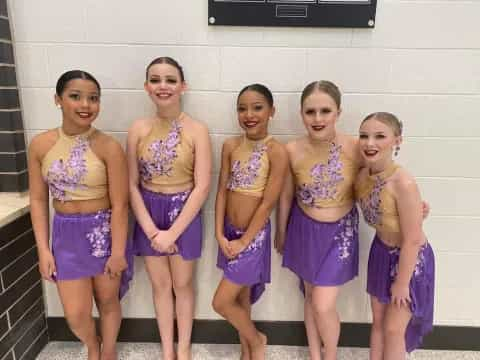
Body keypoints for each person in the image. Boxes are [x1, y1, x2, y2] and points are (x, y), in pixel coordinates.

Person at [28, 70, 133, 360]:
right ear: (58, 100)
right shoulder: (40, 145)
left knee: (108, 299)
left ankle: (108, 350)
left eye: (93, 98)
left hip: (103, 233)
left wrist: (118, 251)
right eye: (75, 97)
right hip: (65, 235)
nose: (86, 105)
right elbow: (38, 199)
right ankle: (93, 344)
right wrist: (43, 250)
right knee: (75, 314)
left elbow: (121, 205)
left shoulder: (109, 147)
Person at [127, 57, 212, 360]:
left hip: (184, 211)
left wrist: (173, 232)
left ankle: (184, 348)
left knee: (182, 283)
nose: (163, 86)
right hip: (148, 210)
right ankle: (167, 350)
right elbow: (131, 183)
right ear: (147, 86)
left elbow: (202, 186)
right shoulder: (137, 128)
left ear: (182, 86)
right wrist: (151, 230)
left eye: (170, 79)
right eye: (156, 79)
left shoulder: (198, 130)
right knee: (160, 285)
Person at [275, 80, 362, 360]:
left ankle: (331, 355)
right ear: (301, 114)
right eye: (310, 112)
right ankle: (315, 354)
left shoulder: (356, 147)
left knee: (323, 304)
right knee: (311, 296)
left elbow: (379, 181)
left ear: (338, 112)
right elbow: (286, 195)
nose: (318, 118)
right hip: (304, 229)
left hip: (340, 233)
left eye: (325, 111)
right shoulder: (291, 150)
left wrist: (410, 208)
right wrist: (281, 231)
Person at [212, 84, 288, 360]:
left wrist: (245, 240)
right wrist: (220, 234)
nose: (249, 114)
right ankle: (245, 351)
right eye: (242, 108)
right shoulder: (231, 145)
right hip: (229, 232)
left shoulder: (276, 151)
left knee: (220, 302)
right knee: (240, 298)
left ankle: (257, 341)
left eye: (257, 107)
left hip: (252, 237)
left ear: (271, 111)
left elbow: (268, 202)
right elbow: (222, 191)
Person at [355, 112, 435, 360]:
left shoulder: (403, 183)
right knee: (378, 322)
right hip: (381, 251)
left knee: (393, 330)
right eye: (364, 136)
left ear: (397, 141)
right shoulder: (361, 176)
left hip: (410, 258)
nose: (370, 143)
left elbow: (411, 239)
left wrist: (402, 282)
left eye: (380, 136)